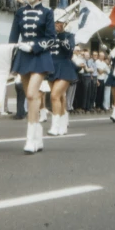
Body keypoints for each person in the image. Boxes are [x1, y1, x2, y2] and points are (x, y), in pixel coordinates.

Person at [9, 0, 55, 154]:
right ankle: (38, 136)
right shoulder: (20, 12)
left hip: (39, 56)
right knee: (33, 97)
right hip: (23, 56)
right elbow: (13, 38)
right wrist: (12, 58)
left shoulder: (47, 12)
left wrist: (34, 46)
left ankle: (30, 138)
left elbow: (51, 38)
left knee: (30, 94)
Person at [46, 8, 77, 136]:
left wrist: (62, 38)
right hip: (51, 67)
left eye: (59, 22)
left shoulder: (69, 36)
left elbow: (69, 51)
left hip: (64, 67)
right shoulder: (49, 36)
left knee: (54, 95)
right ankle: (63, 122)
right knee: (60, 96)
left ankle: (55, 126)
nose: (56, 25)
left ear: (64, 24)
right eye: (55, 22)